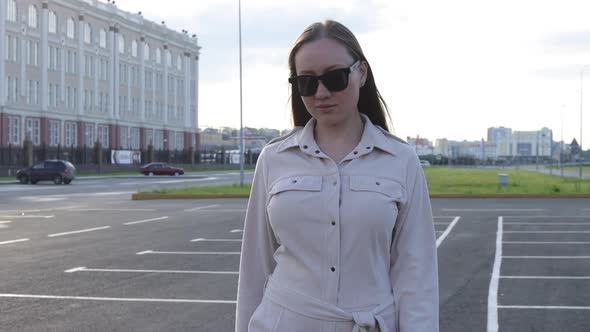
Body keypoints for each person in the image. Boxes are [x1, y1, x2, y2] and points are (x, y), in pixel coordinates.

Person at [235, 20, 438, 332]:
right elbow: (254, 271)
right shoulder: (274, 159)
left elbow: (416, 274)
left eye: (335, 77)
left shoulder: (401, 160)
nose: (321, 93)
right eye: (306, 82)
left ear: (362, 73)